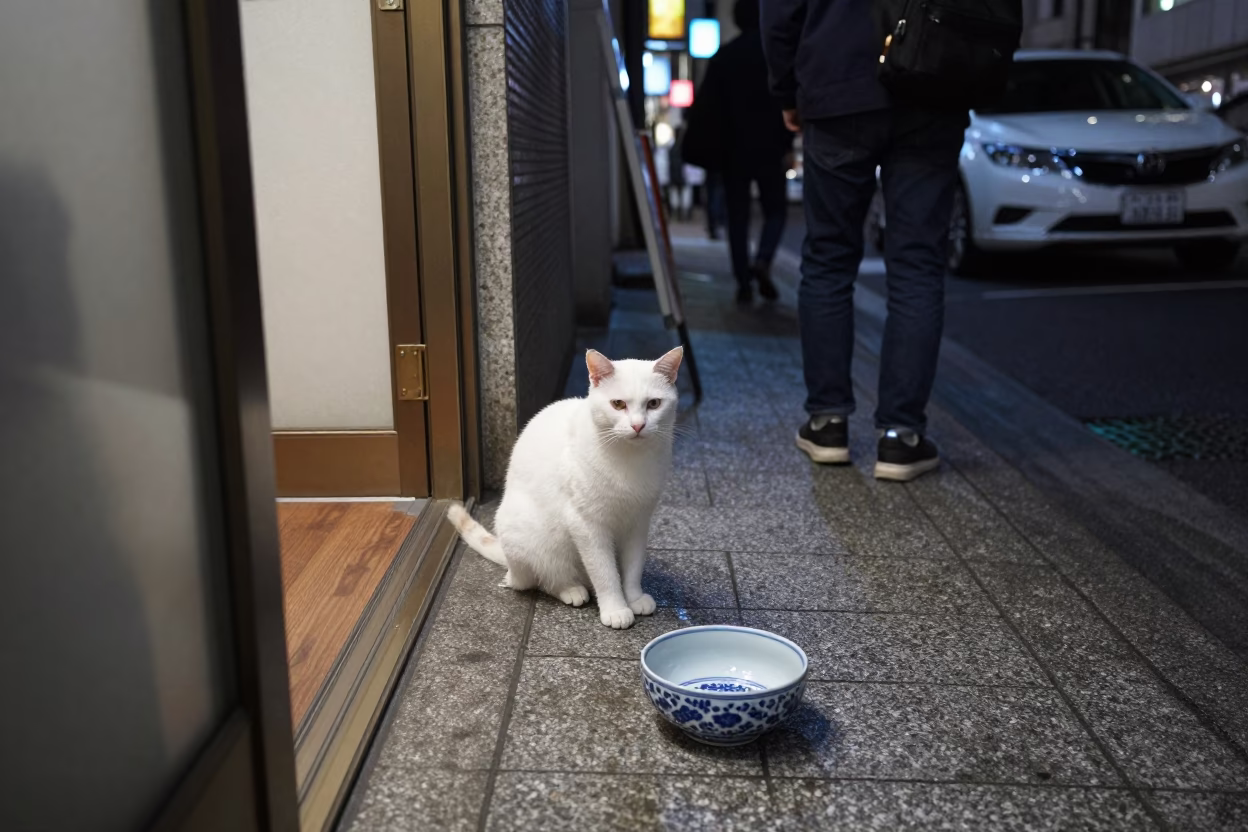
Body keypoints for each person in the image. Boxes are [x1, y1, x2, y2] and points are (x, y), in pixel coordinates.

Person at [761, 0, 968, 482]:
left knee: (829, 259)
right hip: (934, 84)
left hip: (838, 80)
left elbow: (778, 14)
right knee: (917, 264)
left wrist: (787, 90)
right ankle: (901, 437)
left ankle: (827, 422)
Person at [694, 0, 792, 303]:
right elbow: (785, 100)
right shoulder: (772, 56)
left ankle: (743, 282)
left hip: (734, 150)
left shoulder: (725, 57)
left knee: (737, 216)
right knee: (776, 209)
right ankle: (762, 259)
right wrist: (786, 145)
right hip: (770, 147)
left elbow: (709, 109)